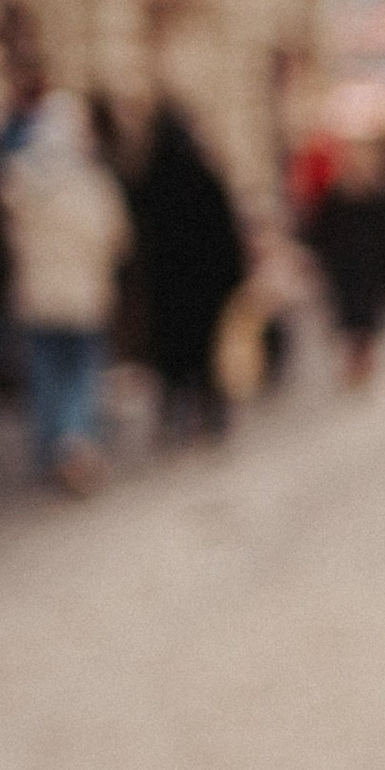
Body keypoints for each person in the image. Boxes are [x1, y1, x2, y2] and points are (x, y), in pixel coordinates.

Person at [3, 91, 130, 492]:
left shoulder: (18, 179)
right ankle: (75, 443)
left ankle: (50, 451)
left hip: (37, 296)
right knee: (80, 374)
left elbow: (13, 239)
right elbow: (116, 237)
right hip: (82, 296)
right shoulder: (90, 182)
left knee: (45, 376)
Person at [128, 99, 247, 441]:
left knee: (172, 357)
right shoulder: (205, 178)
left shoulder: (150, 182)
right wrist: (232, 280)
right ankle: (213, 414)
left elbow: (139, 238)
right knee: (207, 352)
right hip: (207, 287)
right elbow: (227, 237)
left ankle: (175, 416)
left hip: (167, 287)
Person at [302, 137, 385, 386]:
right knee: (351, 321)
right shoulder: (336, 198)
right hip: (345, 269)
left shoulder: (379, 197)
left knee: (367, 320)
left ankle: (364, 361)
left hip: (372, 270)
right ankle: (356, 363)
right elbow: (319, 233)